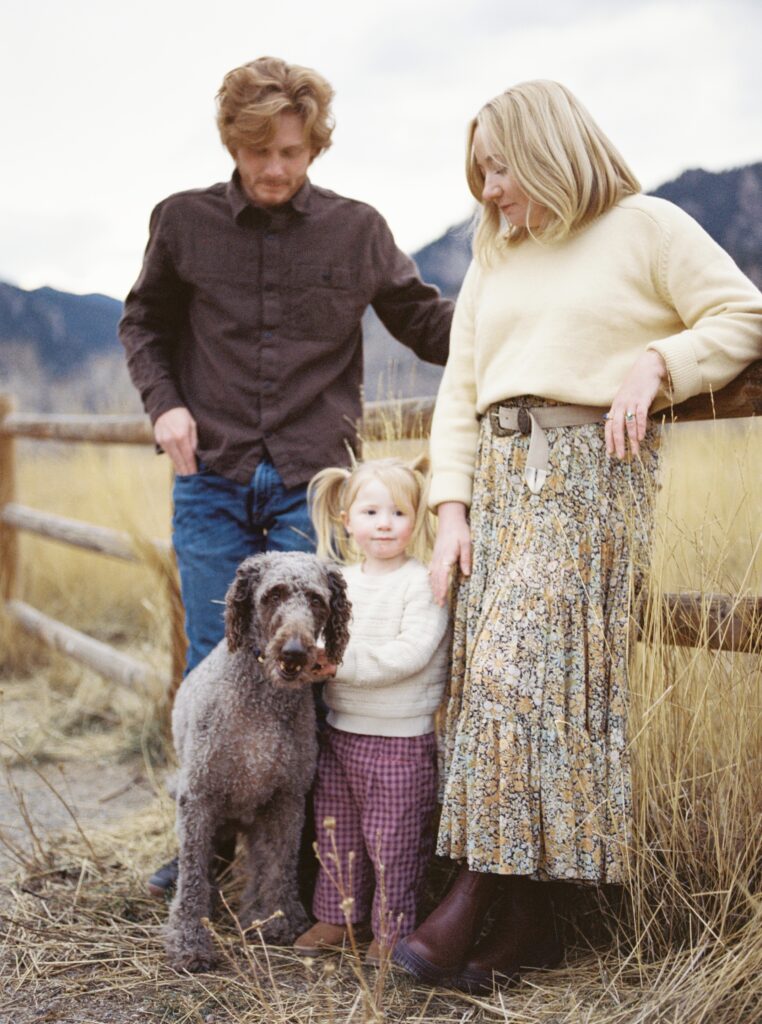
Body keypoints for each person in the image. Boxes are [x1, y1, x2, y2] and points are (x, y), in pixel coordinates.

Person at [392, 80, 762, 993]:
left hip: (591, 479)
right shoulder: (494, 253)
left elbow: (743, 312)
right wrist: (449, 514)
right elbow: (459, 392)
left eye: (502, 166)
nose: (489, 189)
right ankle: (531, 924)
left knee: (521, 679)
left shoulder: (648, 226)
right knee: (513, 697)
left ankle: (472, 896)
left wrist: (658, 362)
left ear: (552, 148)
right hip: (500, 491)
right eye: (480, 171)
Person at [118, 57, 453, 897]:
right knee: (214, 660)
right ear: (233, 140)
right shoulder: (183, 222)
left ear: (316, 148)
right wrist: (165, 406)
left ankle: (305, 867)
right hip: (212, 476)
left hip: (315, 483)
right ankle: (205, 852)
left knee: (311, 664)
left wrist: (516, 327)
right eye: (260, 150)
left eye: (293, 153)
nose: (276, 169)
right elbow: (143, 323)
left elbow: (424, 320)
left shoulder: (359, 229)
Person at [292, 457, 450, 965]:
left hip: (400, 740)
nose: (385, 523)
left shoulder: (423, 583)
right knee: (335, 828)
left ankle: (393, 929)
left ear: (419, 518)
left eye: (399, 513)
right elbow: (318, 638)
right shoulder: (336, 582)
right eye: (372, 511)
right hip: (341, 732)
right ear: (346, 518)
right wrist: (309, 656)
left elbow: (411, 654)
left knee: (394, 840)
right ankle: (338, 917)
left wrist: (338, 664)